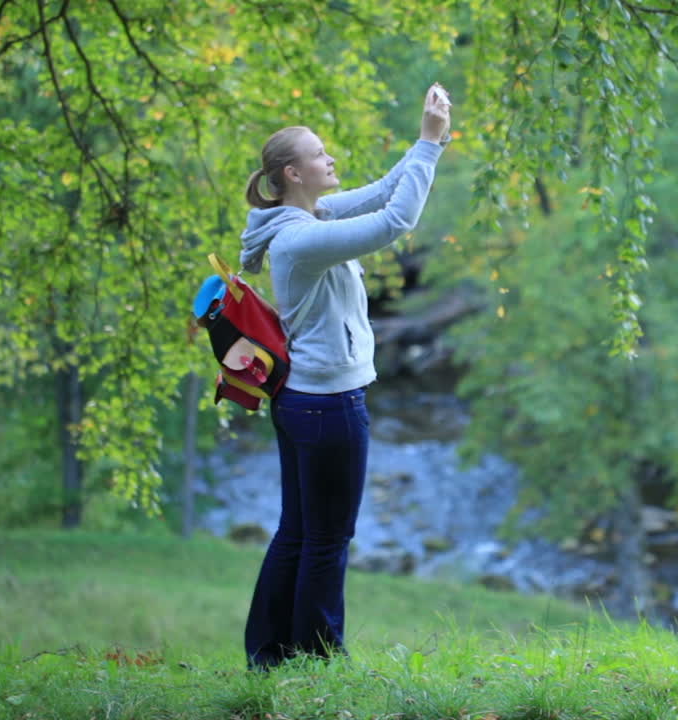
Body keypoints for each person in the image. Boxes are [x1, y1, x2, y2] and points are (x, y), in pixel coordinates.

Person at [238, 83, 452, 670]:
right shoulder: (303, 238)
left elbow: (385, 191)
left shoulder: (306, 215)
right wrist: (429, 147)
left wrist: (427, 137)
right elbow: (395, 220)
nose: (329, 159)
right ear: (292, 172)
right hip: (328, 405)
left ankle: (271, 654)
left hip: (301, 399)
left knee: (299, 533)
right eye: (319, 154)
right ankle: (321, 658)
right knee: (326, 540)